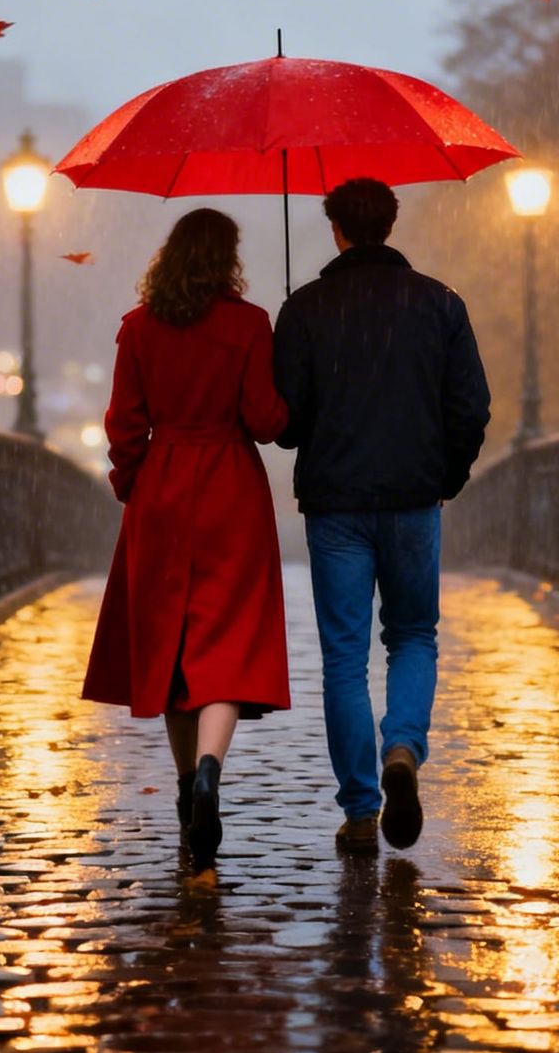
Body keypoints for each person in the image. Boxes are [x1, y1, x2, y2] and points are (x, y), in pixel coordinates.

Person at [273, 178, 490, 854]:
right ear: (389, 225)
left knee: (343, 657)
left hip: (337, 503)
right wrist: (444, 476)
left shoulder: (306, 308)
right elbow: (470, 407)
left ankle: (362, 810)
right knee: (414, 637)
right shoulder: (440, 304)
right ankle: (403, 746)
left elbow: (285, 427)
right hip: (412, 499)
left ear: (335, 227)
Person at [82, 208, 290, 871]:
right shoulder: (250, 324)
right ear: (227, 257)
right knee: (225, 642)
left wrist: (132, 487)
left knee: (171, 645)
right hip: (230, 488)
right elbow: (265, 421)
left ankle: (184, 787)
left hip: (164, 489)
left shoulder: (138, 329)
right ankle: (209, 770)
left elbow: (122, 426)